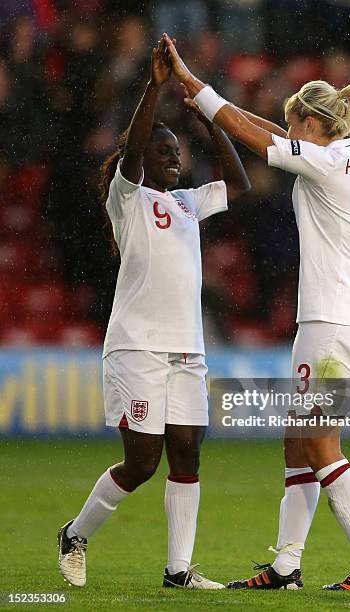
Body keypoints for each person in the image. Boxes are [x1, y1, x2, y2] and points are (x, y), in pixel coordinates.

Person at [164, 33, 350, 592]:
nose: (288, 133)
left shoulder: (328, 165)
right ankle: (286, 567)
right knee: (298, 441)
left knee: (318, 441)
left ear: (314, 127)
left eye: (295, 125)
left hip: (332, 324)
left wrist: (194, 85)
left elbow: (265, 143)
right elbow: (270, 136)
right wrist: (212, 106)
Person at [57, 36, 250, 590]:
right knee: (142, 462)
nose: (174, 156)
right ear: (141, 160)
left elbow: (238, 184)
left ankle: (179, 571)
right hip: (137, 345)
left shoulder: (189, 203)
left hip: (187, 348)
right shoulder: (129, 199)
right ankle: (75, 533)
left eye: (177, 152)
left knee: (187, 453)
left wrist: (208, 116)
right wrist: (155, 89)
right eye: (164, 151)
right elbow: (136, 150)